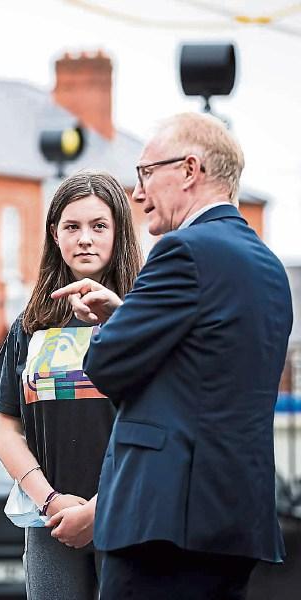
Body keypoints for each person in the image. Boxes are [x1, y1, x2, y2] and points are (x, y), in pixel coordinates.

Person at [53, 112, 292, 600]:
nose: (137, 195)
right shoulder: (267, 266)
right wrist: (129, 313)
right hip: (234, 522)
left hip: (164, 525)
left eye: (145, 173)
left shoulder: (184, 250)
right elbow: (202, 368)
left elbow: (107, 363)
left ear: (189, 169)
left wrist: (112, 324)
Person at [0, 170, 142, 599]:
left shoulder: (143, 317)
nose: (84, 238)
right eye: (72, 226)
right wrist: (51, 501)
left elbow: (159, 427)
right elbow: (7, 433)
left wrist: (96, 510)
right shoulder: (30, 326)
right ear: (55, 235)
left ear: (119, 233)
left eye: (98, 226)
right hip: (50, 523)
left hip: (130, 518)